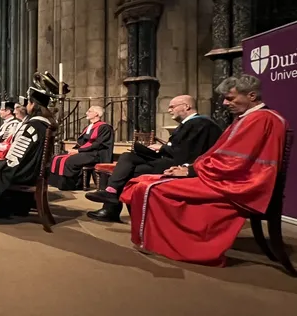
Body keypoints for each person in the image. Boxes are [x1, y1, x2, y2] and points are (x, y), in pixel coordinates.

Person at [121, 75, 287, 267]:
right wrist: (189, 168)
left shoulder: (260, 119)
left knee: (148, 186)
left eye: (231, 98)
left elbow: (233, 162)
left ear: (251, 96)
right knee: (143, 182)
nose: (225, 103)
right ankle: (161, 239)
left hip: (240, 184)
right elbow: (218, 154)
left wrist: (191, 171)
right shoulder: (250, 118)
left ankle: (178, 244)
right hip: (228, 177)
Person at [85, 95, 222, 221]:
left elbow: (186, 153)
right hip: (170, 159)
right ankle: (111, 196)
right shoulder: (189, 124)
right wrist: (161, 148)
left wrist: (162, 148)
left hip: (181, 165)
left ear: (186, 106)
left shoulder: (200, 124)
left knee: (127, 171)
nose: (169, 110)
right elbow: (178, 147)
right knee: (127, 157)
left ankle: (112, 206)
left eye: (172, 106)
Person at [0, 85, 56, 224]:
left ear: (34, 105)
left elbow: (17, 156)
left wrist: (7, 163)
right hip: (33, 168)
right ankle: (10, 208)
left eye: (29, 102)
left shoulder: (33, 125)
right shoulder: (46, 124)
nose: (27, 106)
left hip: (26, 171)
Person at [48, 106, 113, 190]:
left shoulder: (105, 127)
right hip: (86, 152)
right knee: (57, 157)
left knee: (69, 161)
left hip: (95, 154)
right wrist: (74, 149)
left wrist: (78, 151)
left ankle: (73, 185)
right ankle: (57, 183)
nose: (86, 113)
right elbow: (82, 142)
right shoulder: (88, 127)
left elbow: (98, 144)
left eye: (89, 111)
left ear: (96, 114)